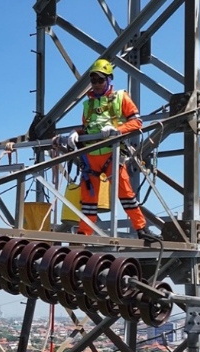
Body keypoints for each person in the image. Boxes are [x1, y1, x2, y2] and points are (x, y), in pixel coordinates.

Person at [56, 59, 159, 242]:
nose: (96, 84)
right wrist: (75, 133)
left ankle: (141, 229)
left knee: (126, 193)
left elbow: (137, 122)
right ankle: (84, 234)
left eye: (100, 80)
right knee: (88, 199)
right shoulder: (88, 105)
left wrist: (117, 130)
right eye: (93, 81)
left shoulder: (121, 97)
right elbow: (87, 128)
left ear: (109, 79)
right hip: (90, 156)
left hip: (112, 154)